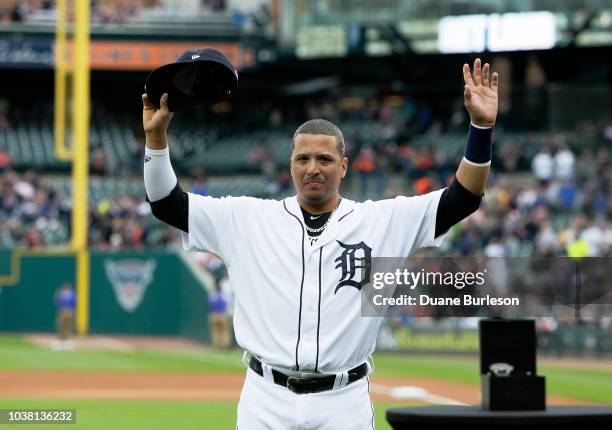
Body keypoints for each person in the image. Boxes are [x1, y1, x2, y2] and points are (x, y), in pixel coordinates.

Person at [143, 59, 498, 428]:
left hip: (343, 402)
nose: (313, 167)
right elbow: (166, 203)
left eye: (325, 159)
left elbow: (463, 198)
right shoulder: (246, 218)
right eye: (304, 158)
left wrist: (481, 127)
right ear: (291, 166)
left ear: (344, 166)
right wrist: (156, 140)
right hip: (265, 399)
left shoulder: (383, 220)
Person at [52, 282, 76, 351]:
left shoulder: (71, 294)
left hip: (68, 311)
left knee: (67, 326)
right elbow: (56, 300)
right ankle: (61, 341)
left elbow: (74, 302)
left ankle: (66, 341)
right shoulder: (64, 293)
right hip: (66, 311)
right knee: (62, 326)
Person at [208, 283, 231, 349]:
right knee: (225, 331)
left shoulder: (212, 295)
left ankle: (216, 345)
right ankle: (225, 345)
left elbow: (209, 305)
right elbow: (228, 305)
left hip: (214, 314)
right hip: (222, 314)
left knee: (215, 331)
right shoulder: (224, 296)